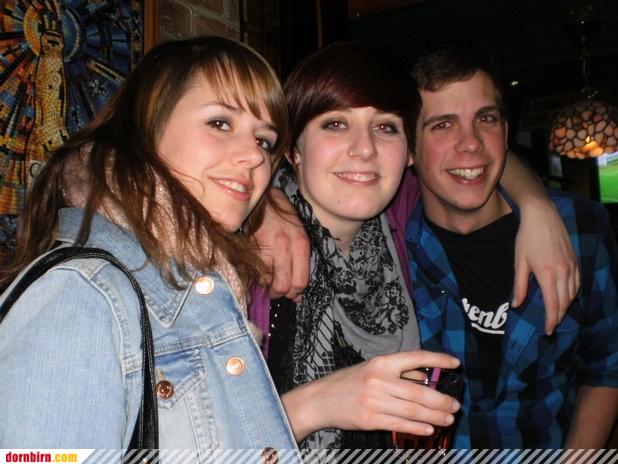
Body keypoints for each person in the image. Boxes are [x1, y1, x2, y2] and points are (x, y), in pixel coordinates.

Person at [251, 42, 580, 450]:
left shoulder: (399, 215)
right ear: (291, 148)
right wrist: (313, 407)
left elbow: (477, 154)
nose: (365, 149)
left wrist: (536, 205)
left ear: (407, 152)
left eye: (385, 127)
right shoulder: (248, 261)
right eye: (335, 124)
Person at [0, 36, 301, 457]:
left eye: (264, 141)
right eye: (220, 123)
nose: (254, 156)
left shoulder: (205, 287)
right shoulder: (82, 295)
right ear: (147, 127)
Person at [405, 39, 618, 448]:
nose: (471, 143)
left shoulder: (582, 228)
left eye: (486, 118)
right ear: (408, 147)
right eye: (443, 124)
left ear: (505, 131)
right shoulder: (390, 245)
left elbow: (604, 368)